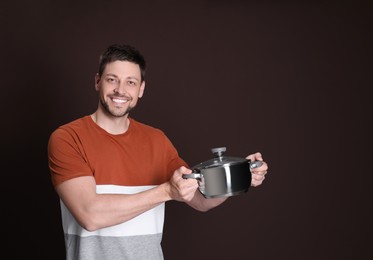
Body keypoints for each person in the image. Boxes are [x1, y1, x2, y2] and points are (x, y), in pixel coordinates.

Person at [47, 44, 269, 260]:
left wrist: (240, 176)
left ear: (141, 89)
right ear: (98, 81)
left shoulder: (156, 140)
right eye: (112, 79)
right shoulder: (67, 138)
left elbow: (199, 199)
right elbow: (90, 215)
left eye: (130, 82)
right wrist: (166, 191)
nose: (120, 90)